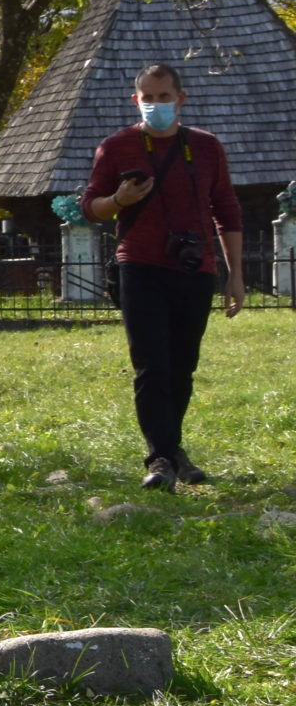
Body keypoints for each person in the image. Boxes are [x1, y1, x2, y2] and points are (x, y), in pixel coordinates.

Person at [81, 61, 244, 491]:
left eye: (164, 97)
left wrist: (235, 275)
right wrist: (119, 198)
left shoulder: (207, 147)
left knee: (182, 367)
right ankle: (160, 458)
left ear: (181, 99)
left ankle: (172, 451)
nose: (156, 105)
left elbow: (226, 209)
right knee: (151, 366)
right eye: (148, 98)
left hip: (195, 269)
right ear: (135, 100)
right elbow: (90, 206)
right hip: (139, 265)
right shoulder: (116, 147)